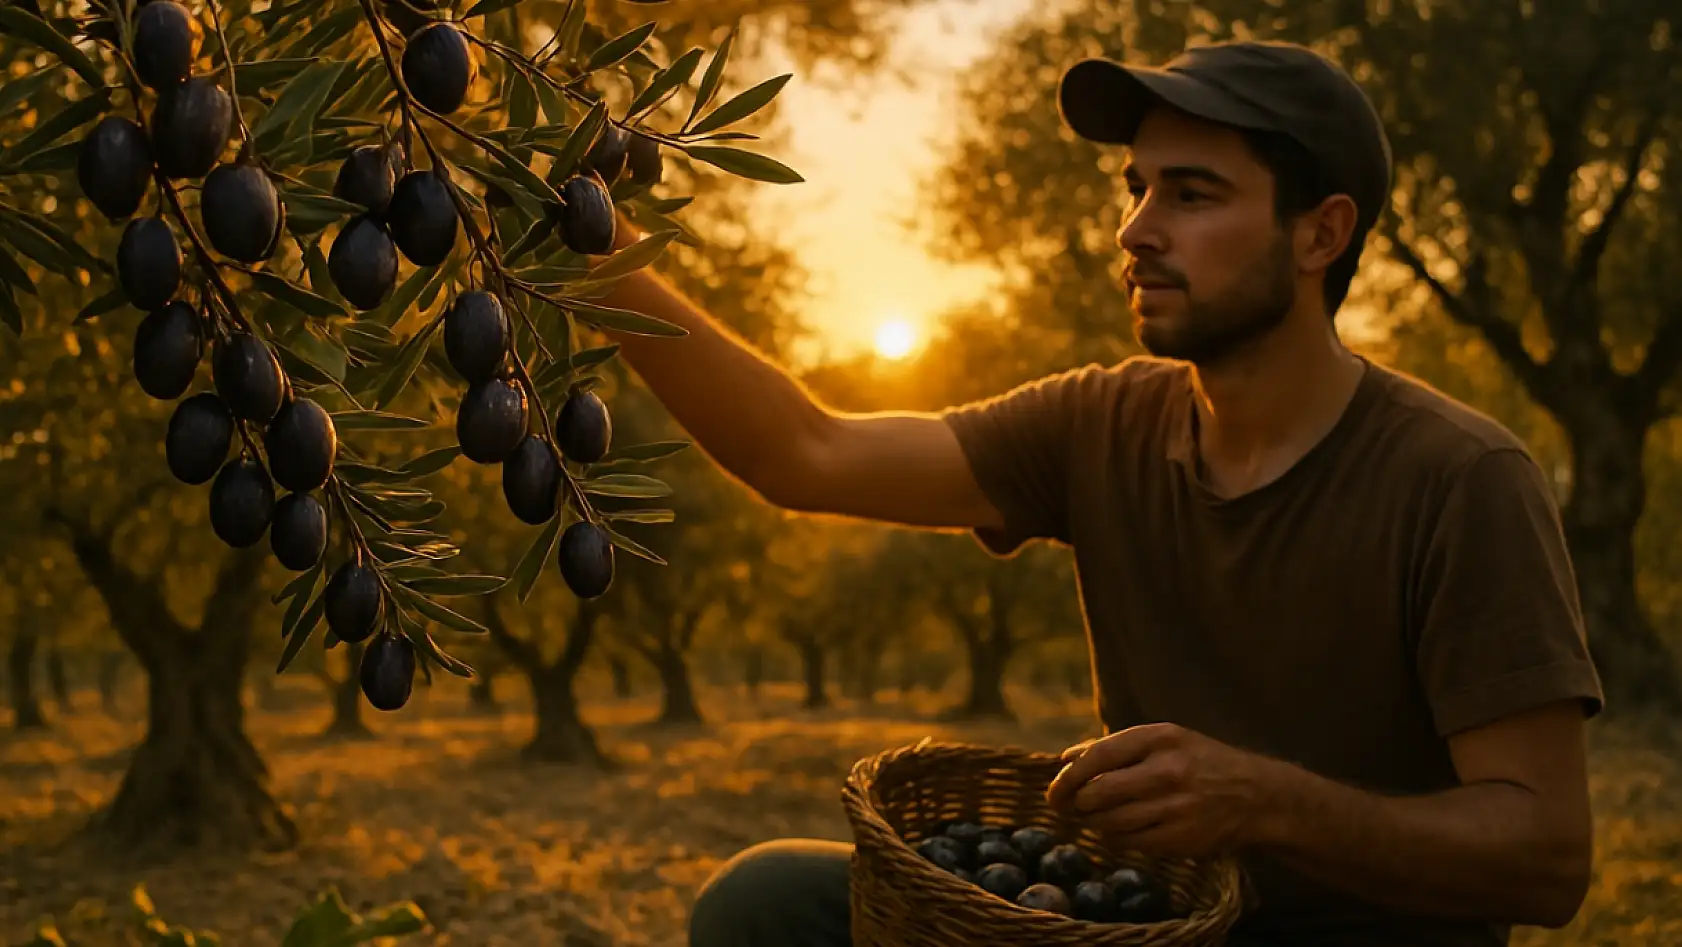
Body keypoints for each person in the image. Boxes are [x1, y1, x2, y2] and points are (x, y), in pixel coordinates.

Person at [586, 38, 1604, 947]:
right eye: (1137, 188)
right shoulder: (1100, 423)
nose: (1134, 229)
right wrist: (585, 244)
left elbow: (1546, 858)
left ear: (1318, 235)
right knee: (764, 902)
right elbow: (804, 453)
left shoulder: (1459, 479)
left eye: (1191, 194)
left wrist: (1262, 801)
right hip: (1133, 921)